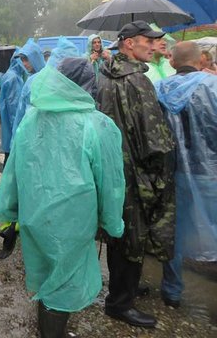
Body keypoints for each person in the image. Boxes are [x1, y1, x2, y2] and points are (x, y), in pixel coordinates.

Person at [0, 60, 125, 338]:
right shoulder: (97, 124)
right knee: (63, 284)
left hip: (34, 217)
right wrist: (112, 223)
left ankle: (50, 329)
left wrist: (10, 212)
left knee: (47, 276)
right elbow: (110, 182)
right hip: (73, 223)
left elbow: (13, 172)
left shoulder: (32, 119)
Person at [96, 20, 176, 328]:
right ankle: (120, 302)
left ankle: (123, 289)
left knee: (118, 231)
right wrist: (161, 176)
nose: (153, 46)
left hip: (112, 169)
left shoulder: (104, 75)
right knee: (134, 235)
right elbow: (155, 139)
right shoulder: (138, 81)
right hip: (136, 174)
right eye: (148, 40)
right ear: (129, 43)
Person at [156, 41, 217, 308]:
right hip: (210, 172)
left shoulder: (159, 89)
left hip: (173, 172)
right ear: (201, 59)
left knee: (175, 232)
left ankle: (172, 291)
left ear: (172, 61)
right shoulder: (213, 86)